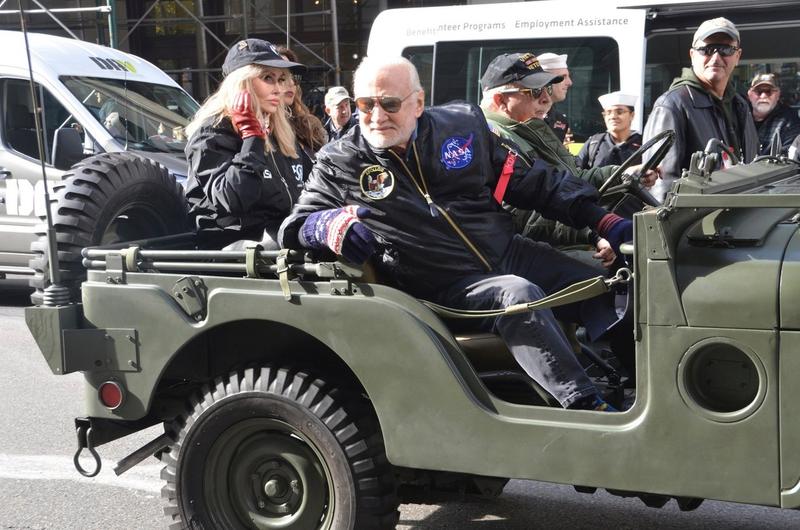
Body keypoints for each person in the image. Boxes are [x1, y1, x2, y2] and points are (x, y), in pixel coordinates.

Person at [279, 56, 638, 412]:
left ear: (418, 103)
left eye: (389, 103)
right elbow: (296, 226)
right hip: (441, 283)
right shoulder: (340, 160)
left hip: (507, 251)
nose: (376, 116)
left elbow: (533, 184)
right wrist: (329, 226)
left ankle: (644, 390)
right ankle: (587, 409)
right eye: (365, 104)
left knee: (604, 286)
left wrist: (602, 221)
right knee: (518, 295)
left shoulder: (462, 126)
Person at [184, 38, 307, 250]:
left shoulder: (281, 130)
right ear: (243, 83)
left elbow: (310, 184)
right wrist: (252, 138)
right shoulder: (211, 132)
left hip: (282, 249)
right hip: (232, 259)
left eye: (281, 79)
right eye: (268, 78)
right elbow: (232, 200)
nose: (278, 88)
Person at [642, 17, 758, 201]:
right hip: (697, 225)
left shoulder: (740, 104)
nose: (716, 57)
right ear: (692, 54)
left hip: (738, 217)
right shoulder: (671, 105)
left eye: (726, 49)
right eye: (707, 49)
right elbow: (658, 187)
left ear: (737, 56)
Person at [277, 46, 328, 161]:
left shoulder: (309, 126)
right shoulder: (256, 131)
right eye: (282, 77)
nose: (291, 83)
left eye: (293, 76)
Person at [577, 91, 643, 169]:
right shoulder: (593, 143)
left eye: (619, 112)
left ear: (632, 115)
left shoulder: (644, 143)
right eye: (608, 112)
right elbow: (576, 172)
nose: (613, 116)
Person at [747, 73, 800, 155]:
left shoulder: (790, 121)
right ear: (749, 95)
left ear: (777, 95)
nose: (763, 96)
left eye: (769, 91)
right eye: (758, 91)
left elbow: (789, 159)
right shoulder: (740, 117)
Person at [538, 53, 572, 144]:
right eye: (563, 77)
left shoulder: (561, 120)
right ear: (545, 80)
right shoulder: (522, 115)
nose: (569, 82)